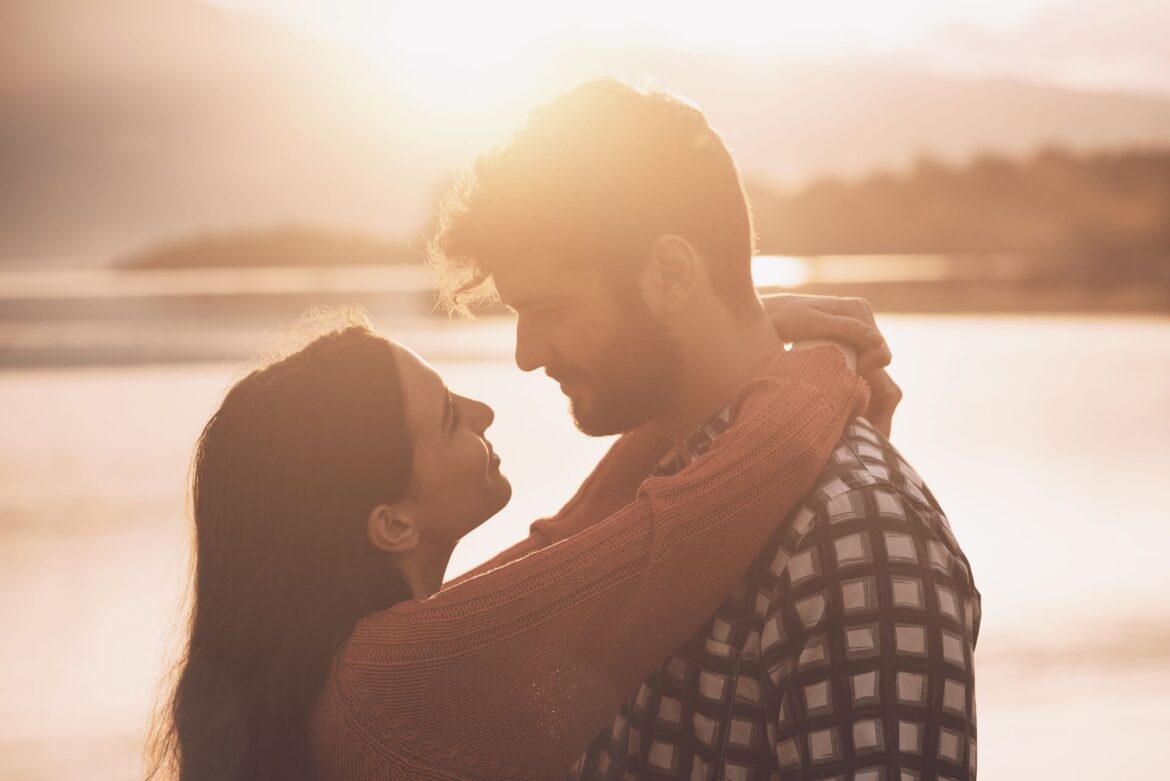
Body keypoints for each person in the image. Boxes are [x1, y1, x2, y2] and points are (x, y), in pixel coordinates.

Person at [428, 79, 979, 779]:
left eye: (551, 309)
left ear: (670, 272)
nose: (526, 354)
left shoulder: (855, 536)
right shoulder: (653, 502)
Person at [149, 308, 880, 781]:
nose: (484, 411)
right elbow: (694, 521)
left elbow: (583, 526)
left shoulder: (346, 665)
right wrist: (829, 359)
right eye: (447, 417)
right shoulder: (391, 675)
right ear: (392, 524)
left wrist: (728, 346)